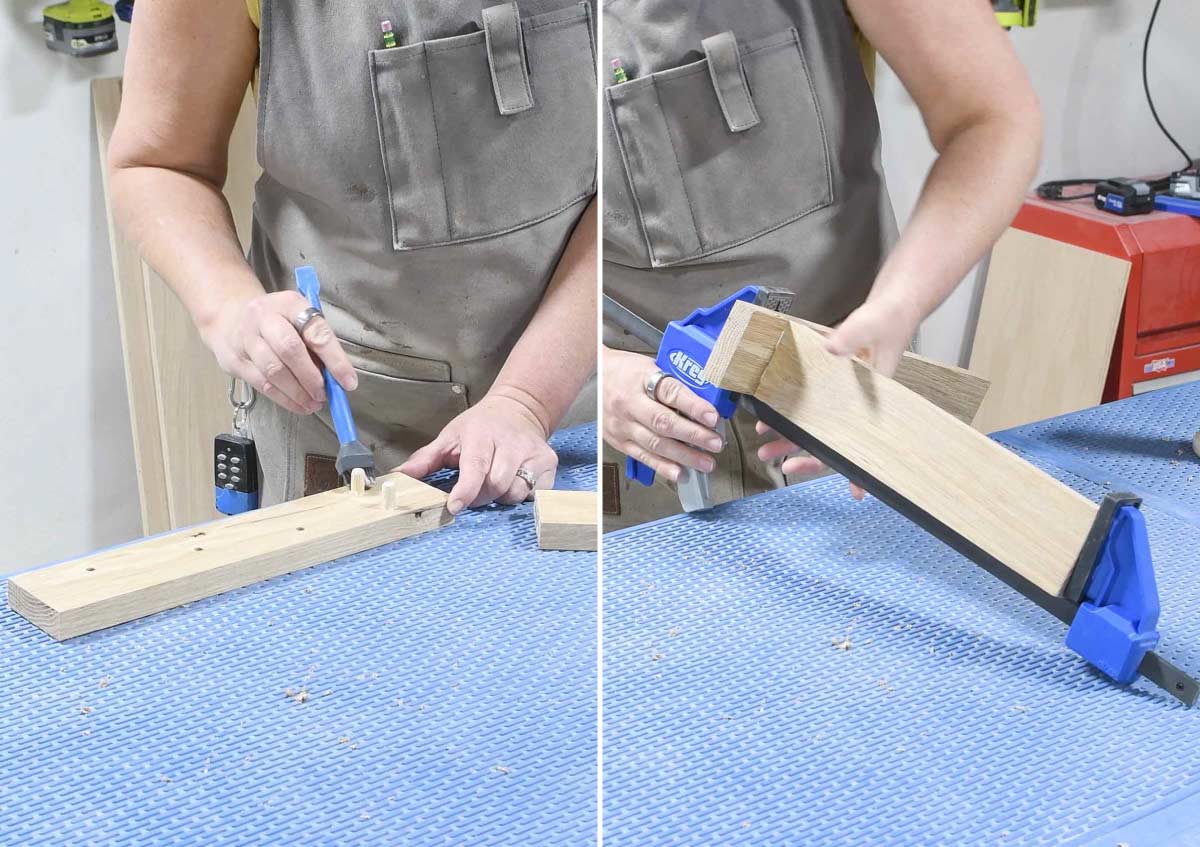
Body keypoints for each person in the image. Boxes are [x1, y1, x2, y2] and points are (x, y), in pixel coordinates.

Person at [108, 0, 597, 513]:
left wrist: (526, 400)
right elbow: (157, 163)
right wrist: (227, 307)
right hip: (344, 426)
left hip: (574, 409)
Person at [601, 0, 1042, 528]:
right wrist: (592, 369)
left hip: (834, 414)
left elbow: (993, 120)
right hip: (629, 434)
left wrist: (900, 302)